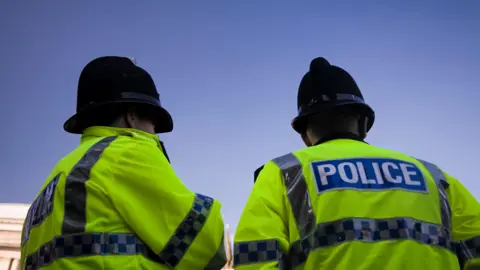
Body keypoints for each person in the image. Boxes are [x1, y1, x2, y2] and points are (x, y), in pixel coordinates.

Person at [233, 57, 480, 269]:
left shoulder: (283, 173)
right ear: (363, 123)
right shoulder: (433, 176)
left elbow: (255, 257)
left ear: (305, 134)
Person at [20, 56, 227, 270]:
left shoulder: (57, 178)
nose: (154, 132)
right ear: (132, 117)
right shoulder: (125, 152)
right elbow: (207, 248)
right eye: (154, 123)